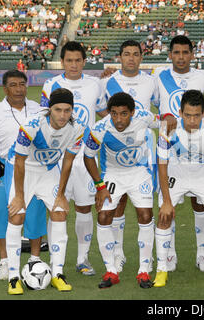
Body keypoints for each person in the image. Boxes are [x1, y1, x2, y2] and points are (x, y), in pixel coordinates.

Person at [6, 88, 86, 294]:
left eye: (67, 110)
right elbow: (20, 162)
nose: (62, 115)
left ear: (72, 110)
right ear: (49, 109)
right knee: (17, 217)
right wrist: (20, 196)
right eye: (57, 110)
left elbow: (68, 161)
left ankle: (57, 273)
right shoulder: (31, 125)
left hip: (48, 171)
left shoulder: (77, 128)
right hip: (25, 170)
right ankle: (13, 277)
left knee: (59, 212)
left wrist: (60, 195)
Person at [151, 35, 204, 273]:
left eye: (185, 52)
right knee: (168, 204)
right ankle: (168, 255)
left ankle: (202, 255)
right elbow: (144, 104)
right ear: (170, 54)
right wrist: (162, 120)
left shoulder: (203, 77)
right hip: (170, 146)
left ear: (193, 54)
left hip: (198, 147)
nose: (181, 57)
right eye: (176, 52)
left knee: (200, 204)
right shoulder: (158, 75)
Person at [40, 41, 106, 276]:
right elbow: (42, 116)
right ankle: (54, 261)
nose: (74, 65)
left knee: (84, 207)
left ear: (84, 61)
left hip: (85, 156)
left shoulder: (95, 84)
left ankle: (82, 258)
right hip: (57, 156)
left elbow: (103, 111)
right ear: (62, 62)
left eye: (78, 60)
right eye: (69, 60)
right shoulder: (51, 84)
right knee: (55, 206)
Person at [0, 70, 47, 283]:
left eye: (22, 84)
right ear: (5, 89)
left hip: (34, 169)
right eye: (13, 85)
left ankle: (35, 260)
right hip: (5, 170)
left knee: (34, 215)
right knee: (2, 216)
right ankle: (5, 262)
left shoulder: (38, 109)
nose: (19, 89)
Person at [83, 92, 158, 289]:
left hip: (139, 172)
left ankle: (144, 270)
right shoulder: (100, 128)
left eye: (124, 114)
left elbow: (165, 123)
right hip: (113, 174)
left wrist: (168, 119)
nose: (118, 119)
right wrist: (100, 186)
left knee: (145, 215)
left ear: (132, 112)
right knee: (104, 216)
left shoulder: (143, 117)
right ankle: (111, 271)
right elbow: (88, 156)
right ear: (108, 113)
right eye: (114, 114)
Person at [153, 90, 204, 288]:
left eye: (197, 115)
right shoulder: (169, 128)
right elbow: (162, 164)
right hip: (177, 174)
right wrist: (167, 201)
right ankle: (161, 269)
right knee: (164, 216)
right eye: (187, 115)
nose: (192, 120)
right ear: (180, 112)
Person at [99, 40, 159, 273]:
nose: (131, 58)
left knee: (144, 207)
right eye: (126, 54)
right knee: (117, 204)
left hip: (143, 153)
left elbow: (158, 109)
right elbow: (101, 109)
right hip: (114, 152)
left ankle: (148, 259)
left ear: (141, 57)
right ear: (120, 57)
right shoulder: (106, 81)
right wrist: (118, 126)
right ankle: (118, 254)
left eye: (135, 54)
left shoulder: (150, 81)